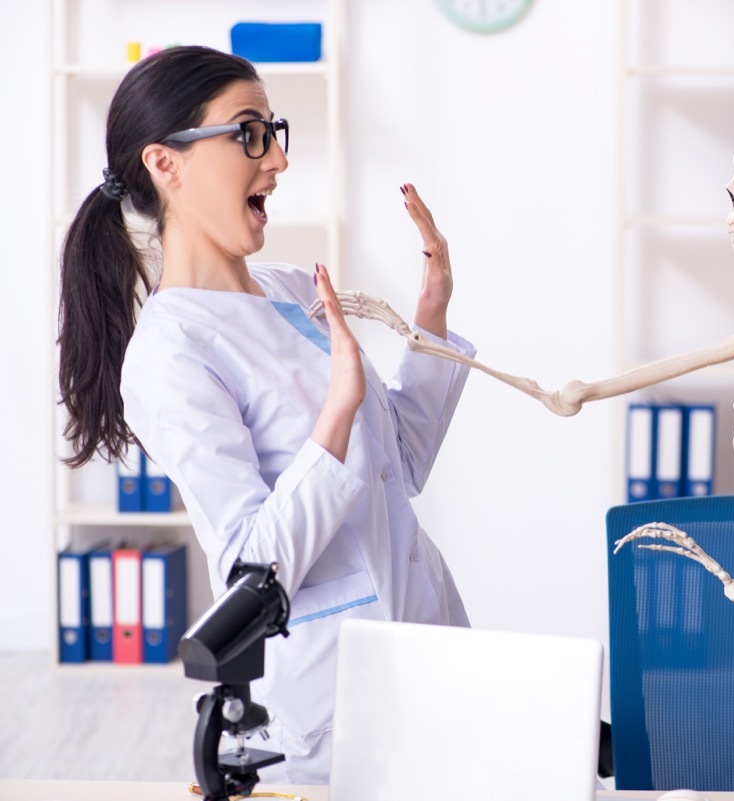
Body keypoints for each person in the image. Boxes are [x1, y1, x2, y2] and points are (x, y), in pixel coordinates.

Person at [56, 45, 475, 783]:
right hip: (337, 692)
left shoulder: (291, 290)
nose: (277, 159)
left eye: (274, 131)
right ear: (166, 164)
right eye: (249, 133)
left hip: (432, 639)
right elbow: (251, 567)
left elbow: (401, 465)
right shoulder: (170, 351)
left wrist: (432, 317)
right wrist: (336, 414)